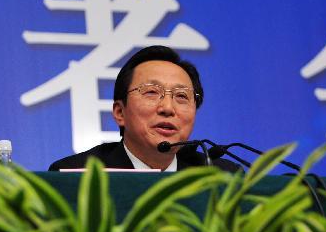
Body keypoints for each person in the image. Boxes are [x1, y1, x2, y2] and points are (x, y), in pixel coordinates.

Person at [49, 46, 239, 172]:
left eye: (181, 96)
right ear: (120, 112)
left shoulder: (220, 176)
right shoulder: (78, 175)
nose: (167, 108)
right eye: (151, 92)